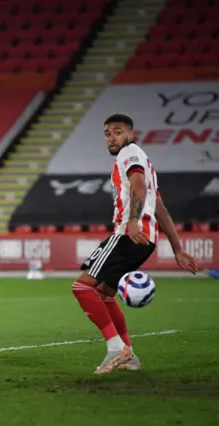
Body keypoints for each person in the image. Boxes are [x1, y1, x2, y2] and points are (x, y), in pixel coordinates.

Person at [73, 113, 198, 375]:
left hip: (129, 233)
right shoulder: (143, 158)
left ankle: (118, 349)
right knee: (105, 294)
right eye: (107, 133)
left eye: (117, 131)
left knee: (82, 287)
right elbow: (160, 207)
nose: (111, 137)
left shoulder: (129, 153)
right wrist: (178, 249)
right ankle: (127, 355)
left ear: (130, 133)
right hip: (146, 237)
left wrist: (131, 221)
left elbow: (138, 186)